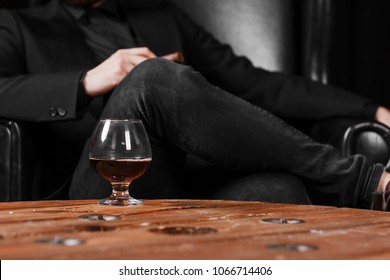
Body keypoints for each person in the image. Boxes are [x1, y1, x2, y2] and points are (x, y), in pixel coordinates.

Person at [0, 0, 389, 210]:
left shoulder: (158, 13)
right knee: (153, 76)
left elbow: (256, 83)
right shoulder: (19, 21)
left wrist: (372, 109)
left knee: (277, 189)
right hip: (97, 183)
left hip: (188, 180)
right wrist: (86, 82)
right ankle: (363, 183)